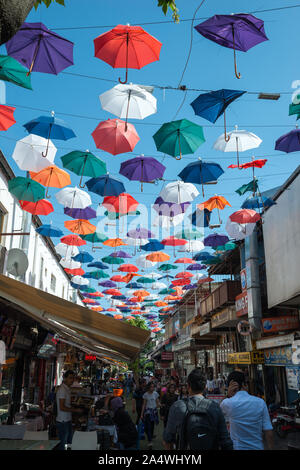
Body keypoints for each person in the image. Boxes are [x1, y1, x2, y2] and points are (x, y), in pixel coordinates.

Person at [163, 368, 233, 450]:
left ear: (188, 386)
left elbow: (167, 439)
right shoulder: (215, 407)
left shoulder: (177, 406)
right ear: (205, 387)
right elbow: (225, 441)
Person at [220, 370, 274, 450]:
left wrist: (228, 394)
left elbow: (217, 410)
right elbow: (268, 431)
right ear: (244, 384)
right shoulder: (260, 402)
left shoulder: (228, 403)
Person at [56, 370, 84, 450]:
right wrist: (75, 410)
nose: (72, 380)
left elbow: (65, 404)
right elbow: (62, 407)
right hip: (63, 421)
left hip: (67, 420)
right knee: (63, 444)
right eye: (70, 378)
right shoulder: (62, 390)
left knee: (68, 443)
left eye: (73, 378)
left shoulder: (67, 389)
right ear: (65, 378)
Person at [141, 382, 160, 449]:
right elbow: (144, 404)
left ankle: (150, 439)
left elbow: (158, 402)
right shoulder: (145, 395)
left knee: (151, 426)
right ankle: (150, 439)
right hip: (148, 412)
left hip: (154, 412)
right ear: (148, 387)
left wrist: (159, 406)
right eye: (151, 387)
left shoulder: (155, 393)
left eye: (153, 387)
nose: (152, 388)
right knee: (147, 427)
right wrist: (142, 414)